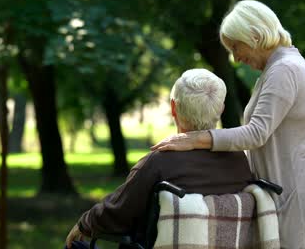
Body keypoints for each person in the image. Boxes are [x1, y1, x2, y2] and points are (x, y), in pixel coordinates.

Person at [151, 0, 305, 249]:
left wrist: (195, 139)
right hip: (287, 190)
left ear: (256, 35)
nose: (236, 58)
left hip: (298, 194)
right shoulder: (274, 70)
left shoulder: (285, 70)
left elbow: (256, 133)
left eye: (236, 47)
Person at [65, 69, 253, 249]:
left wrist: (85, 222)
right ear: (221, 110)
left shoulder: (159, 163)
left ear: (173, 107)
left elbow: (117, 214)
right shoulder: (240, 162)